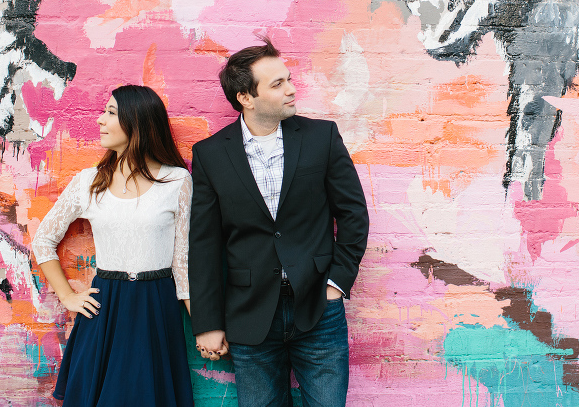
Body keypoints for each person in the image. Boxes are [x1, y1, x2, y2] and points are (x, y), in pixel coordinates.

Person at [189, 38, 370, 407]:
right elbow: (204, 243)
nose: (291, 89)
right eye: (277, 84)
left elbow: (353, 214)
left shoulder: (322, 138)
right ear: (245, 97)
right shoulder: (210, 155)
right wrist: (207, 323)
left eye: (288, 79)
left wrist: (336, 283)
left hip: (319, 308)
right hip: (250, 315)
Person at [32, 85, 194, 406]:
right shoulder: (89, 181)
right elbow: (43, 240)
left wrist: (203, 328)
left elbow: (183, 263)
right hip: (104, 308)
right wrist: (67, 296)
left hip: (156, 307)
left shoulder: (177, 181)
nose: (99, 121)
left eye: (110, 113)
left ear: (138, 122)